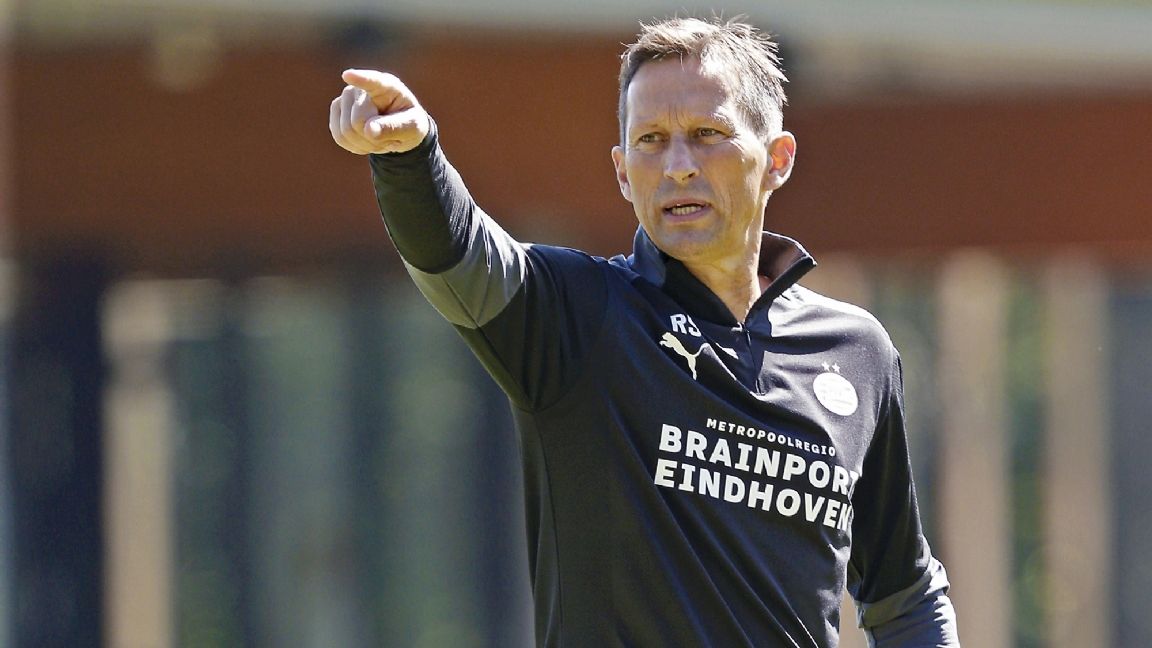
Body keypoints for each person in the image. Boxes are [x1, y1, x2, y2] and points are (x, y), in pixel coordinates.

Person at [329, 16, 959, 647]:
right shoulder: (580, 316)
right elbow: (460, 255)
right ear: (623, 172)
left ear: (777, 159)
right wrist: (411, 157)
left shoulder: (857, 352)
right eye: (651, 140)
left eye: (707, 134)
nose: (677, 166)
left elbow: (906, 598)